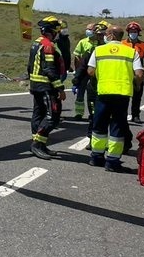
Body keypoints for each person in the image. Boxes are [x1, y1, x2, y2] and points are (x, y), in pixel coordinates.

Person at [87, 25, 144, 172]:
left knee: (99, 124)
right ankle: (112, 161)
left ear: (111, 35)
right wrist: (136, 85)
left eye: (107, 33)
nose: (105, 35)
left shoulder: (99, 50)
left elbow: (90, 70)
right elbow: (139, 74)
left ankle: (96, 157)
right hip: (122, 94)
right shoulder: (132, 52)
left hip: (104, 92)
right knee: (117, 126)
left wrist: (102, 78)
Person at [27, 15, 66, 159]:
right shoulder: (48, 45)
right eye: (56, 31)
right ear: (52, 31)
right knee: (52, 116)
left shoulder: (36, 43)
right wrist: (60, 88)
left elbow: (29, 66)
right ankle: (37, 144)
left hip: (36, 85)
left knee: (38, 114)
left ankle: (39, 144)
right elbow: (50, 69)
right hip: (46, 87)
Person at [72, 21, 107, 135]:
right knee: (93, 110)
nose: (100, 37)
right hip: (92, 80)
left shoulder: (113, 49)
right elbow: (82, 64)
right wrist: (76, 80)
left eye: (103, 35)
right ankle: (92, 136)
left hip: (107, 83)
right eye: (98, 35)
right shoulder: (91, 50)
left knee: (106, 112)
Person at [122, 21, 144, 122]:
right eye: (131, 31)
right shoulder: (122, 44)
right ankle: (122, 115)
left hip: (138, 74)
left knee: (137, 96)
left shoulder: (143, 45)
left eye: (134, 31)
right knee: (124, 96)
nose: (132, 33)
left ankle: (135, 115)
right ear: (128, 32)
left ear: (138, 32)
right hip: (125, 73)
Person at [71, 22, 95, 119]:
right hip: (83, 70)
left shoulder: (99, 42)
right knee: (80, 92)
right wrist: (77, 71)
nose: (88, 31)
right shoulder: (83, 42)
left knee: (92, 94)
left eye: (90, 29)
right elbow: (77, 57)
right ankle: (79, 113)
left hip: (94, 71)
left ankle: (92, 113)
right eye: (87, 29)